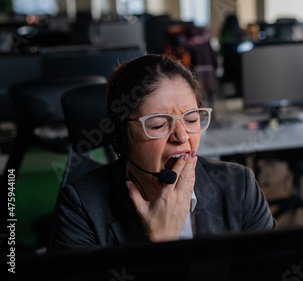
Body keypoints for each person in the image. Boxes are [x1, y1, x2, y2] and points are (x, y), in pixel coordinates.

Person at [49, 54, 276, 252]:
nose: (182, 136)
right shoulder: (81, 208)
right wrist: (160, 243)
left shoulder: (240, 187)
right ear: (120, 137)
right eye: (158, 125)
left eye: (191, 119)